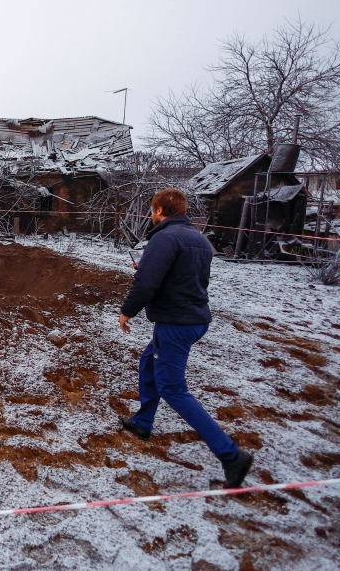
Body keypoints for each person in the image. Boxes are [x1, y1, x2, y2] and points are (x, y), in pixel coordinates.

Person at [117, 188, 254, 488]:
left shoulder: (164, 238)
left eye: (152, 210)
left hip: (176, 323)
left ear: (159, 211)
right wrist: (149, 267)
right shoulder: (198, 239)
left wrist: (127, 311)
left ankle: (231, 455)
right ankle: (142, 422)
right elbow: (186, 277)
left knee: (173, 388)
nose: (151, 215)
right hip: (194, 318)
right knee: (149, 362)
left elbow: (146, 283)